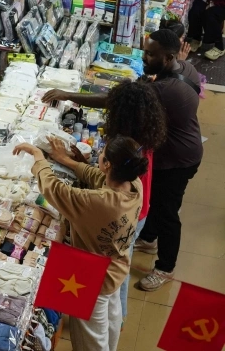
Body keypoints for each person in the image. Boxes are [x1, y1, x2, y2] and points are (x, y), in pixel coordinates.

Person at [42, 29, 203, 292]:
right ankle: (148, 237)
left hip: (177, 159)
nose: (144, 57)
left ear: (168, 57)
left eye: (150, 54)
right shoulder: (185, 69)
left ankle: (165, 268)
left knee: (167, 211)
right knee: (156, 202)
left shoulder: (162, 91)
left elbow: (113, 101)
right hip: (179, 150)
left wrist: (69, 95)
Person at [14, 136, 146, 351]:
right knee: (111, 319)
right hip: (117, 267)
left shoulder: (98, 203)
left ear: (108, 164)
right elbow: (97, 176)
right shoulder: (134, 185)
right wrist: (66, 160)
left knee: (91, 340)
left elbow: (55, 190)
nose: (99, 154)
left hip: (93, 278)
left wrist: (38, 157)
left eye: (102, 153)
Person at [103, 81, 167, 322]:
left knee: (118, 270)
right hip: (141, 211)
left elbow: (114, 184)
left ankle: (118, 318)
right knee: (123, 264)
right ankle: (118, 316)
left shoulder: (128, 149)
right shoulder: (144, 138)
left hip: (129, 216)